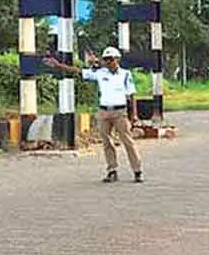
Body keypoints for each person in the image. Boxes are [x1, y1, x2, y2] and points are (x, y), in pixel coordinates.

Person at [44, 46, 144, 184]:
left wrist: (134, 115)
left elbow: (132, 95)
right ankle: (112, 170)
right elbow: (78, 71)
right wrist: (58, 65)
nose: (108, 62)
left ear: (117, 59)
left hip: (120, 111)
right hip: (104, 111)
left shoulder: (125, 74)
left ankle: (137, 170)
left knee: (127, 141)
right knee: (107, 142)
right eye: (106, 59)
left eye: (111, 59)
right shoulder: (100, 73)